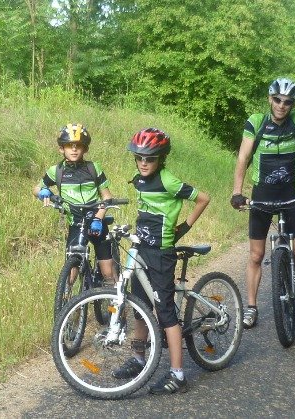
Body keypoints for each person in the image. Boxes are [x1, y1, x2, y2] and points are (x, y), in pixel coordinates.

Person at [112, 128, 210, 394]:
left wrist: (184, 228)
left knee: (165, 312)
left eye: (150, 158)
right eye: (139, 157)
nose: (144, 163)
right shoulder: (139, 180)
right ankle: (138, 359)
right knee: (140, 306)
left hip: (162, 253)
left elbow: (203, 199)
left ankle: (178, 374)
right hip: (141, 249)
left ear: (161, 158)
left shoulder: (169, 181)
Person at [230, 77, 295, 329]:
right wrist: (237, 192)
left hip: (288, 196)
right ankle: (251, 307)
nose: (282, 105)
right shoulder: (256, 122)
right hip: (261, 195)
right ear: (269, 99)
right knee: (256, 255)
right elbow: (243, 157)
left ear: (293, 104)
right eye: (277, 100)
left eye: (288, 102)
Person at [33, 123, 116, 283]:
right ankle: (69, 305)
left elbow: (107, 197)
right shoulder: (56, 171)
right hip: (76, 224)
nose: (74, 149)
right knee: (70, 276)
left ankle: (115, 303)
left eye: (78, 146)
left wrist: (99, 218)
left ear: (85, 149)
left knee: (108, 274)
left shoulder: (94, 168)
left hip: (97, 222)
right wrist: (44, 192)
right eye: (69, 146)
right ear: (61, 149)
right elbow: (36, 188)